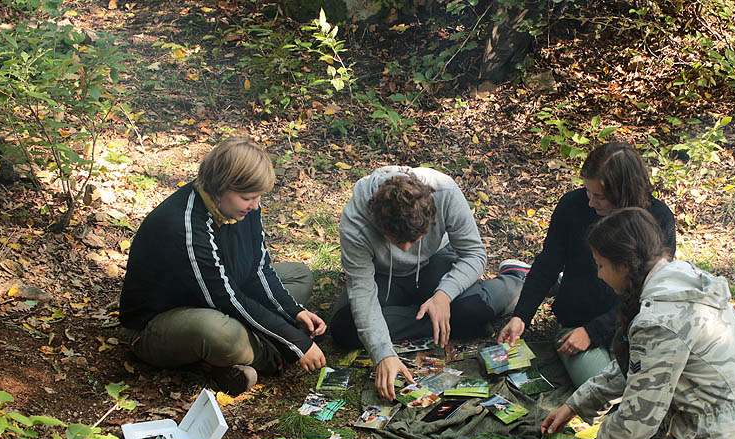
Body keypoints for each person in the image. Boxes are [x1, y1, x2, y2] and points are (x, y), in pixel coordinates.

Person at [541, 208, 735, 439]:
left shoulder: (659, 321)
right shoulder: (679, 278)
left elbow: (636, 424)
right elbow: (635, 367)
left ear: (623, 266)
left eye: (601, 265)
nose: (598, 274)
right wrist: (574, 405)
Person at [119, 137, 327, 395]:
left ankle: (227, 361)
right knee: (219, 333)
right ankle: (273, 357)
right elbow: (225, 298)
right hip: (160, 325)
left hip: (221, 296)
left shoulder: (244, 209)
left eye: (258, 196)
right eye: (247, 197)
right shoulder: (185, 226)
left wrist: (293, 312)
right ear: (220, 187)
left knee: (299, 275)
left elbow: (258, 270)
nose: (255, 205)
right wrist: (294, 343)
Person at [331, 166, 528, 400]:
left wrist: (444, 295)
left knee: (472, 308)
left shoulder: (444, 191)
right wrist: (383, 353)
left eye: (414, 240)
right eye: (396, 242)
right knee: (344, 327)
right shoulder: (356, 223)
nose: (406, 249)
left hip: (436, 263)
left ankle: (516, 280)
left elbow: (475, 254)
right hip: (384, 277)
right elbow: (362, 292)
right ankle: (449, 320)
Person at [499, 142, 676, 387]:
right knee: (599, 386)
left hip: (631, 325)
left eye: (599, 196)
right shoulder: (573, 206)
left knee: (642, 385)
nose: (591, 202)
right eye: (587, 191)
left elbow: (653, 293)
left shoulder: (659, 219)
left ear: (623, 192)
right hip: (576, 320)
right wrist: (521, 316)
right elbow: (547, 262)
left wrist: (595, 331)